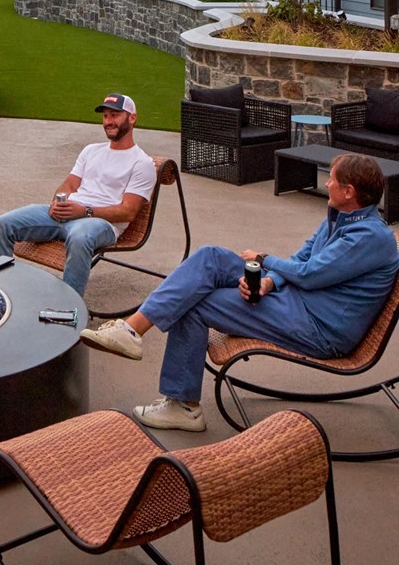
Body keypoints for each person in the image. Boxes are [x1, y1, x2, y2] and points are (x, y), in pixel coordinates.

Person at [81, 151, 399, 432]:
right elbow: (303, 259)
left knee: (194, 303)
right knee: (212, 257)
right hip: (297, 302)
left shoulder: (369, 237)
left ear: (349, 191)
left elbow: (311, 274)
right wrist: (268, 280)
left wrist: (264, 261)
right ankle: (131, 330)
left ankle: (183, 406)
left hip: (318, 328)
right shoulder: (339, 217)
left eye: (331, 180)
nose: (326, 184)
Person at [0, 92, 157, 297]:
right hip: (68, 213)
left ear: (132, 118)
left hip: (99, 223)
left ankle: (68, 308)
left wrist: (84, 211)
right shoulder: (91, 151)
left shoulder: (142, 163)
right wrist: (58, 202)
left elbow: (128, 212)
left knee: (79, 238)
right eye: (105, 116)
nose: (108, 121)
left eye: (115, 115)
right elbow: (68, 185)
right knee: (3, 224)